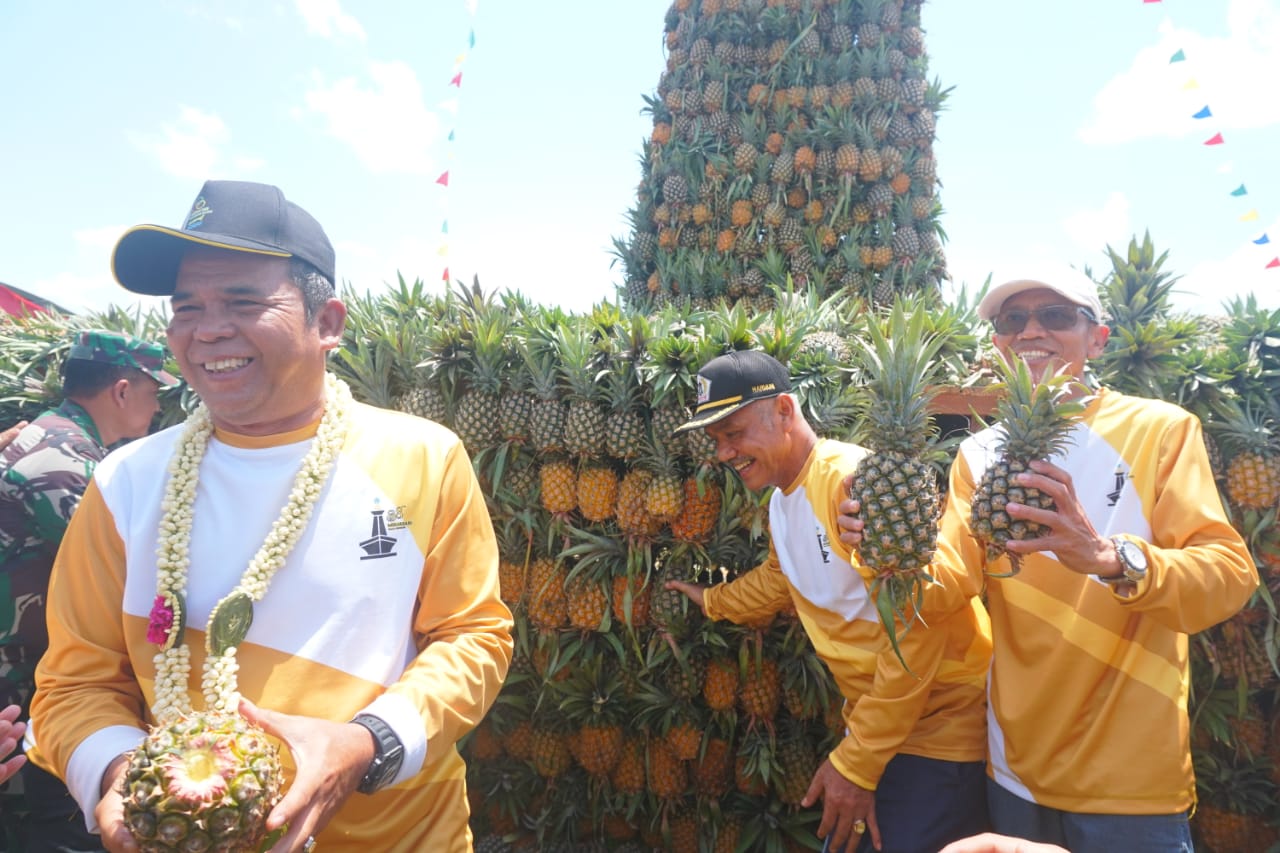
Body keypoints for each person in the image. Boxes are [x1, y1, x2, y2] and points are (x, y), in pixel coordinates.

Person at [26, 180, 514, 853]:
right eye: (186, 306)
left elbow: (473, 636)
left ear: (328, 322)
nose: (207, 329)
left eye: (242, 300)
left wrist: (366, 742)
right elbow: (74, 680)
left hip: (400, 837)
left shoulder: (424, 458)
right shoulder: (125, 483)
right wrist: (117, 773)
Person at [840, 269, 1257, 852]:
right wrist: (883, 553)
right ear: (997, 345)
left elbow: (1229, 577)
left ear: (1097, 338)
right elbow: (944, 589)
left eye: (1056, 315)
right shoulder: (977, 453)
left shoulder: (1160, 429)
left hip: (1131, 785)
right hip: (1015, 775)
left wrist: (1107, 556)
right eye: (1013, 319)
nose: (1031, 330)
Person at [664, 349, 992, 853]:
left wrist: (857, 764)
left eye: (734, 433)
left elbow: (920, 626)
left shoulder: (850, 484)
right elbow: (780, 579)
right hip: (885, 729)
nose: (724, 453)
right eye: (716, 440)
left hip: (937, 733)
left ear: (784, 412)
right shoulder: (782, 499)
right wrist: (711, 600)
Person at [1, 329, 175, 849]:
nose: (157, 405)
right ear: (122, 391)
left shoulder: (51, 439)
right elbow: (134, 573)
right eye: (154, 391)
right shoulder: (64, 464)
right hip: (18, 686)